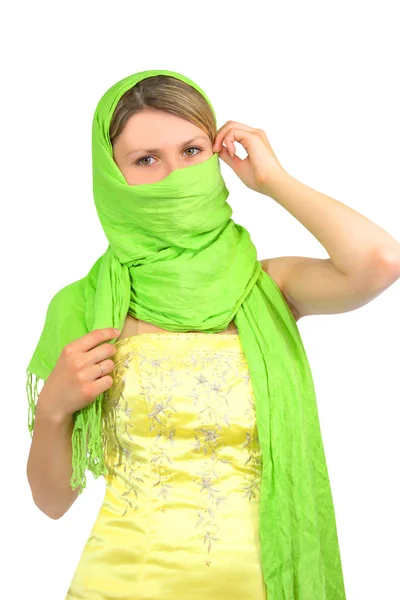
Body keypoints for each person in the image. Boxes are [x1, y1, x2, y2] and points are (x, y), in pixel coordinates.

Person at [26, 69, 400, 600]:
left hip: (266, 584)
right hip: (122, 585)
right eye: (147, 160)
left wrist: (274, 181)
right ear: (113, 176)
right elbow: (52, 502)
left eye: (192, 150)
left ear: (218, 154)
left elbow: (380, 262)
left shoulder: (266, 287)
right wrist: (54, 411)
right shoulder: (84, 306)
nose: (176, 174)